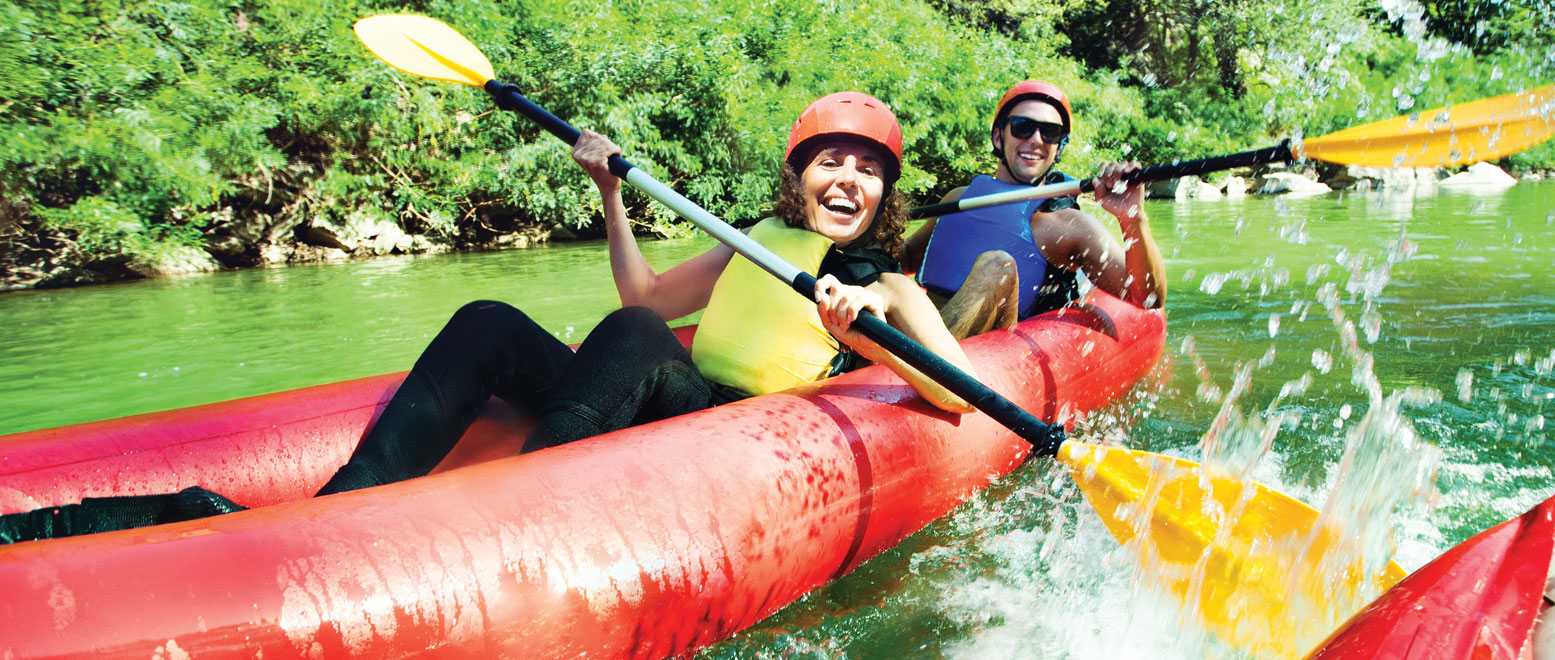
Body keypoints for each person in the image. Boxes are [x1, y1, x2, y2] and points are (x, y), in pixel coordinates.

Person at [0, 92, 974, 544]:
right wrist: (604, 192)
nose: (844, 177)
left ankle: (511, 517)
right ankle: (344, 507)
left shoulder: (880, 279)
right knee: (489, 318)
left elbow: (956, 396)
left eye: (866, 166)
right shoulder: (754, 234)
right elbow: (643, 300)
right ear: (799, 174)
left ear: (884, 187)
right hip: (644, 395)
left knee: (632, 346)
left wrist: (863, 325)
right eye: (827, 160)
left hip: (724, 429)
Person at [904, 81, 1169, 338]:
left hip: (990, 352)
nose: (1036, 140)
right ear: (998, 137)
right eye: (1023, 127)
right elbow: (902, 260)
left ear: (1060, 146)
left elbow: (1148, 298)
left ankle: (915, 365)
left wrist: (1133, 218)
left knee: (996, 265)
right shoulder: (958, 200)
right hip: (925, 326)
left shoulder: (1068, 227)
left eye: (1049, 133)